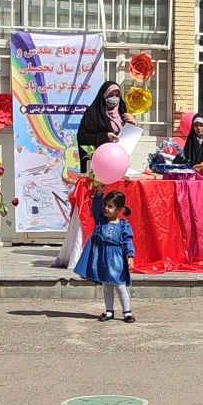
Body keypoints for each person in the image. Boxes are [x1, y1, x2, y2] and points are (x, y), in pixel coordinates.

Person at [76, 189, 135, 323]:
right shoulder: (100, 221)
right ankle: (109, 311)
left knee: (120, 286)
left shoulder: (123, 225)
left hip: (117, 259)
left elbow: (128, 241)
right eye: (105, 205)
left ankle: (127, 312)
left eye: (110, 206)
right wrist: (99, 192)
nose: (106, 208)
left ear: (119, 209)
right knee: (107, 286)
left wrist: (130, 257)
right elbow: (96, 206)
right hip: (102, 258)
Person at [76, 83, 124, 174]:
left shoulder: (122, 112)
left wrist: (133, 124)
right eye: (110, 95)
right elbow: (82, 137)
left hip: (119, 163)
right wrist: (104, 137)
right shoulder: (92, 114)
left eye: (117, 95)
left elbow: (130, 137)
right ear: (103, 96)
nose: (114, 98)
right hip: (99, 164)